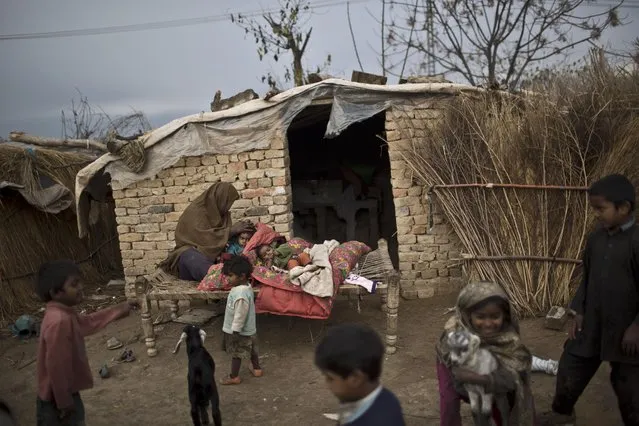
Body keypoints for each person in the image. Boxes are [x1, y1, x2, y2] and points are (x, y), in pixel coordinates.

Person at [540, 174, 639, 426]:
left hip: (628, 330)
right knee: (571, 365)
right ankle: (562, 413)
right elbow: (587, 276)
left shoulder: (637, 241)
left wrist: (637, 327)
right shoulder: (596, 238)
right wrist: (579, 311)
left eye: (601, 208)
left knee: (629, 387)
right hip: (592, 322)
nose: (595, 214)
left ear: (624, 208)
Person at [35, 260, 136, 426]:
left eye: (79, 281)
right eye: (74, 284)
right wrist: (65, 402)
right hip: (57, 401)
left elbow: (88, 322)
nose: (81, 287)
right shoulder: (59, 321)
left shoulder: (62, 313)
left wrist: (121, 309)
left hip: (62, 395)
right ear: (56, 292)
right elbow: (57, 366)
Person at [436, 281, 536, 426]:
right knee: (449, 401)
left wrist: (481, 379)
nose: (488, 323)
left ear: (505, 315)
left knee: (504, 397)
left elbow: (514, 377)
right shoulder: (456, 336)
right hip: (451, 366)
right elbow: (459, 380)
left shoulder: (509, 340)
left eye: (495, 316)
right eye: (480, 317)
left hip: (487, 378)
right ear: (468, 316)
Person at [158, 182, 255, 281]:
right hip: (189, 256)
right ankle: (222, 279)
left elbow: (222, 241)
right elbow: (203, 239)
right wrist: (230, 231)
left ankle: (236, 276)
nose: (228, 207)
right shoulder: (196, 212)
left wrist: (241, 233)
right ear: (220, 199)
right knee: (192, 257)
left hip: (213, 259)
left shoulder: (221, 214)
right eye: (228, 203)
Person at [314, 323, 405, 426]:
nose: (327, 385)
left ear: (355, 378)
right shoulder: (384, 398)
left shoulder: (378, 420)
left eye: (330, 378)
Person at [219, 255, 262, 385]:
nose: (228, 278)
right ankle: (257, 369)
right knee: (253, 350)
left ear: (242, 276)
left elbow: (240, 314)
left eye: (230, 275)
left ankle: (234, 376)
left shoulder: (240, 294)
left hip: (240, 331)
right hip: (250, 329)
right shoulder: (246, 287)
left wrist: (235, 331)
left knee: (237, 353)